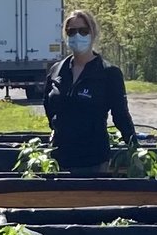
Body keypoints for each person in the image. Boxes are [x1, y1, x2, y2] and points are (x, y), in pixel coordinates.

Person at [43, 9, 137, 172]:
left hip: (93, 160)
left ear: (93, 33)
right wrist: (57, 128)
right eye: (71, 32)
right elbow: (48, 105)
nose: (77, 36)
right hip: (60, 159)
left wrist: (135, 149)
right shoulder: (56, 70)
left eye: (83, 31)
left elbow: (121, 115)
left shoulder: (108, 73)